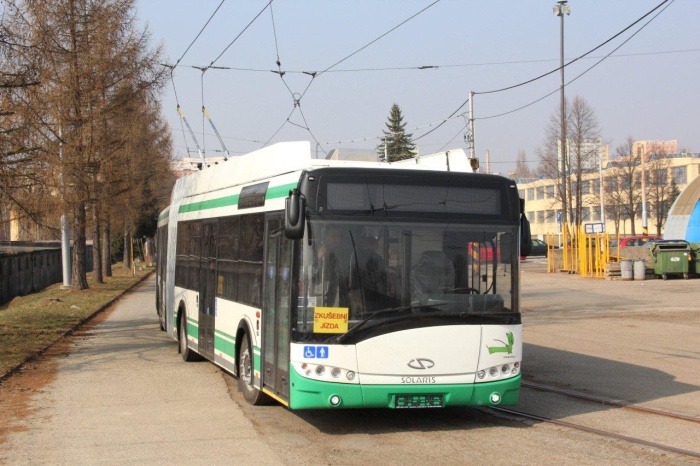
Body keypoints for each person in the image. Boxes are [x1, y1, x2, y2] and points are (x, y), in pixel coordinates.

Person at [314, 225, 350, 307]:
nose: (337, 239)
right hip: (320, 292)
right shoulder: (317, 252)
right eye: (333, 236)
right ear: (326, 237)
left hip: (341, 293)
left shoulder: (345, 254)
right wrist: (318, 257)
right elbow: (310, 276)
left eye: (339, 237)